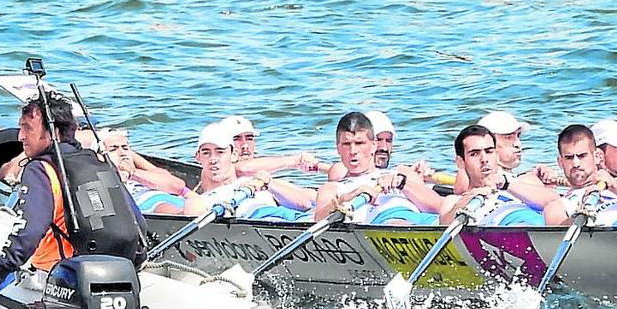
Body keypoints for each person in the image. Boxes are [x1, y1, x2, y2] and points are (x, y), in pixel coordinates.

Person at [0, 95, 149, 309]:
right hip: (114, 278)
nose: (20, 136)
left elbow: (28, 232)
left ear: (52, 133)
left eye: (27, 128)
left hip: (56, 280)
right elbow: (139, 223)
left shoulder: (41, 169)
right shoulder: (101, 162)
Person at [313, 112, 443, 224]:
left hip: (424, 221)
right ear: (338, 148)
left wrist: (401, 183)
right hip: (386, 224)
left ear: (374, 145)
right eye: (346, 144)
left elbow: (438, 207)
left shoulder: (401, 172)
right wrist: (344, 199)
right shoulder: (332, 188)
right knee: (396, 223)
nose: (353, 151)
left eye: (359, 143)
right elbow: (319, 218)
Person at [181, 122, 312, 219]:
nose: (213, 159)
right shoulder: (201, 200)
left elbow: (304, 204)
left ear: (233, 155)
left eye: (220, 152)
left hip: (291, 219)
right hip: (256, 225)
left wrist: (269, 185)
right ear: (197, 157)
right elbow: (192, 215)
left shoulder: (255, 181)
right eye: (206, 153)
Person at [542, 124, 617, 227]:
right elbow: (558, 233)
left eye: (582, 156)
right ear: (560, 162)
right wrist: (581, 213)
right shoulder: (557, 206)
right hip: (606, 237)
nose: (576, 163)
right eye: (569, 158)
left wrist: (613, 185)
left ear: (597, 156)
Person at [438, 124, 557, 225]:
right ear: (460, 162)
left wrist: (506, 184)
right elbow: (444, 225)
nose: (484, 159)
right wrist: (469, 198)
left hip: (538, 227)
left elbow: (555, 203)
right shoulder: (454, 201)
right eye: (474, 154)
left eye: (489, 151)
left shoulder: (519, 184)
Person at [455, 110, 561, 193]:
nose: (517, 144)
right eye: (508, 137)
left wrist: (544, 183)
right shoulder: (470, 172)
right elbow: (462, 186)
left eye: (518, 136)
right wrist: (532, 181)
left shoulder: (520, 178)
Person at [325, 110, 435, 183]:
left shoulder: (399, 172)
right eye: (379, 140)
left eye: (388, 141)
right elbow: (338, 170)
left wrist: (412, 176)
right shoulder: (340, 170)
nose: (384, 148)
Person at [221, 115, 323, 177]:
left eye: (249, 138)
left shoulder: (262, 171)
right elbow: (242, 168)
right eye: (236, 139)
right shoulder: (223, 171)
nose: (245, 145)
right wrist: (295, 161)